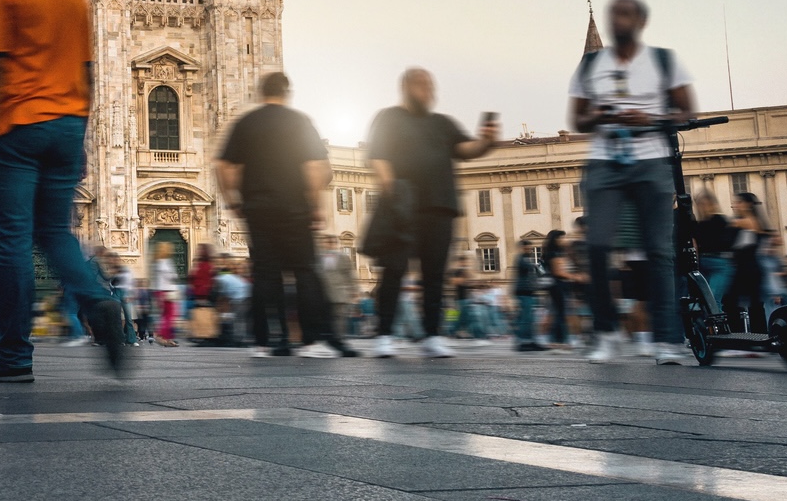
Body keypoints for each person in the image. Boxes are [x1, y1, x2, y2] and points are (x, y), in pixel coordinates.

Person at [0, 0, 128, 382]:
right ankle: (99, 300)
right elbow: (89, 72)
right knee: (56, 232)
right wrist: (79, 133)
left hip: (17, 129)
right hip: (67, 127)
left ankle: (14, 355)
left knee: (12, 243)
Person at [568, 0, 697, 367]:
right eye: (613, 15)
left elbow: (686, 109)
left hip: (650, 160)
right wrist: (602, 115)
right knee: (596, 247)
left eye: (626, 15)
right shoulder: (591, 66)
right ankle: (606, 333)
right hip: (606, 163)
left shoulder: (663, 61)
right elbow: (578, 120)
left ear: (640, 22)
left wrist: (652, 119)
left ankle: (668, 340)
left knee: (660, 251)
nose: (618, 20)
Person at [364, 68, 499, 359]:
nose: (427, 90)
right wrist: (391, 192)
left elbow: (466, 148)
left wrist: (486, 142)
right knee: (395, 271)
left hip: (440, 207)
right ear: (406, 88)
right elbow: (378, 156)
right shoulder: (389, 118)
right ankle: (384, 334)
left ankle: (432, 334)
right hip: (403, 206)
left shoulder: (443, 123)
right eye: (420, 84)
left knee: (435, 274)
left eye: (429, 85)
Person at [216, 71, 341, 358]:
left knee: (264, 274)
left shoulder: (246, 123)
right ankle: (310, 341)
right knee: (304, 271)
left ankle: (262, 342)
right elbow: (315, 168)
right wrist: (315, 205)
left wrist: (233, 201)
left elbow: (223, 166)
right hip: (294, 208)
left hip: (257, 209)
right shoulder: (299, 121)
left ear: (262, 93)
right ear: (286, 92)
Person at [722, 190, 777, 338]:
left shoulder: (743, 221)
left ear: (748, 205)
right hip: (754, 267)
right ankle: (760, 336)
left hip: (744, 267)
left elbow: (728, 240)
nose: (735, 205)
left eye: (738, 202)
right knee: (755, 305)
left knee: (731, 302)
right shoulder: (758, 222)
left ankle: (738, 336)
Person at [511, 234, 548, 352]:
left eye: (530, 248)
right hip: (524, 291)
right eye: (527, 248)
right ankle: (524, 341)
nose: (530, 250)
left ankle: (529, 340)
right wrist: (539, 265)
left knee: (529, 318)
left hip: (528, 291)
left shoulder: (526, 258)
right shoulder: (521, 258)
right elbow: (531, 267)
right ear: (522, 248)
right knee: (526, 318)